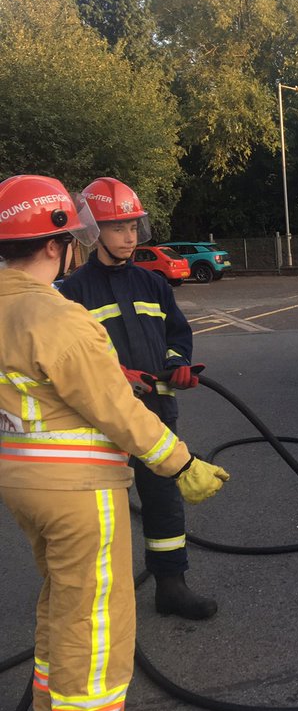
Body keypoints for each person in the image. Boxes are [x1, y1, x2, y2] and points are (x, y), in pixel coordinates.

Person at [0, 174, 229, 711]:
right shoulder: (60, 312)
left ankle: (53, 706)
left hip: (21, 479)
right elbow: (113, 407)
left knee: (61, 595)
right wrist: (180, 461)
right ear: (58, 243)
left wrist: (173, 365)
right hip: (76, 483)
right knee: (94, 609)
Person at [60, 177, 216, 620]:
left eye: (133, 226)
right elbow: (71, 360)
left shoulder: (154, 285)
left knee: (164, 500)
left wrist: (178, 363)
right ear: (92, 232)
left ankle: (171, 585)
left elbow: (176, 335)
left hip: (155, 416)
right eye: (117, 227)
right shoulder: (72, 294)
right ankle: (93, 600)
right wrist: (114, 374)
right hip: (101, 423)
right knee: (97, 515)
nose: (129, 236)